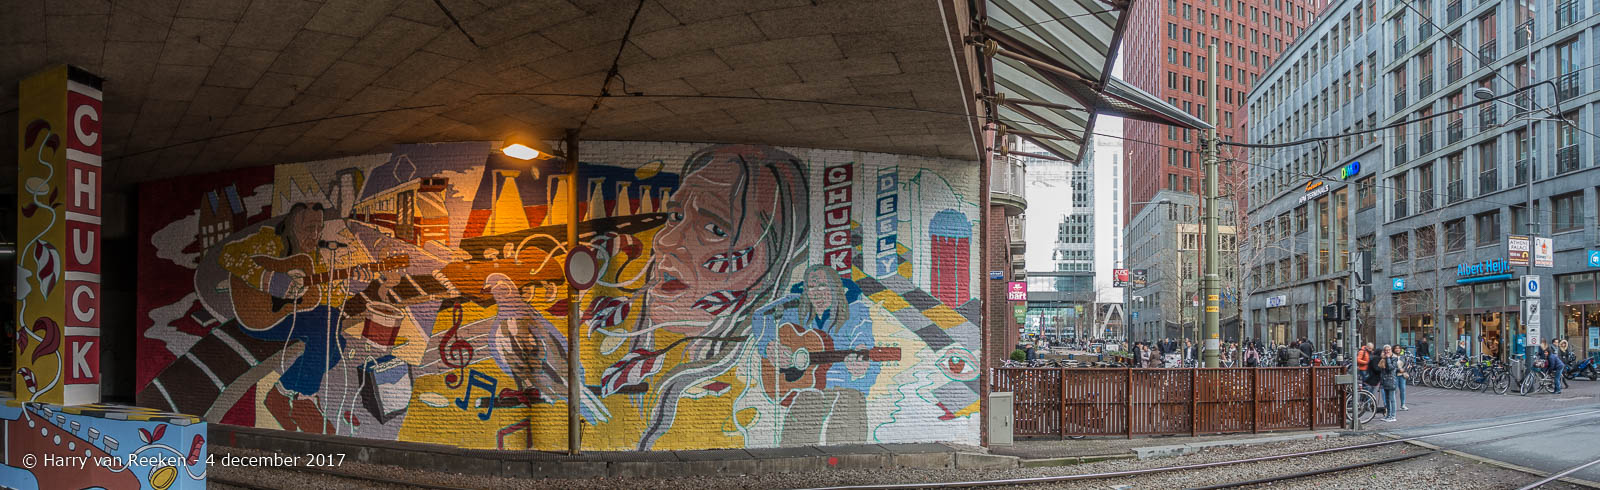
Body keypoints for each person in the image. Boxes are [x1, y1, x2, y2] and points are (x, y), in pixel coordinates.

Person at [1378, 345, 1399, 422]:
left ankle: (1393, 416)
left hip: (1391, 380)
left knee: (1392, 399)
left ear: (1391, 350)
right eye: (1385, 350)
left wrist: (1387, 358)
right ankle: (1388, 415)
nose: (1387, 351)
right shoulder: (1383, 358)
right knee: (1387, 399)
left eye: (1388, 350)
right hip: (1385, 380)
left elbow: (1390, 368)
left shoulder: (1394, 358)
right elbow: (1380, 369)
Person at [1394, 345, 1410, 411]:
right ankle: (1393, 405)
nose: (1397, 349)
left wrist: (1404, 369)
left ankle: (1403, 405)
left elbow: (1406, 364)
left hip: (1402, 375)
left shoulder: (1403, 356)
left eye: (1398, 348)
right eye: (1396, 348)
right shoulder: (1392, 357)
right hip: (1395, 375)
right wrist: (1398, 370)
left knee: (1403, 390)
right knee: (1394, 390)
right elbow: (1392, 366)